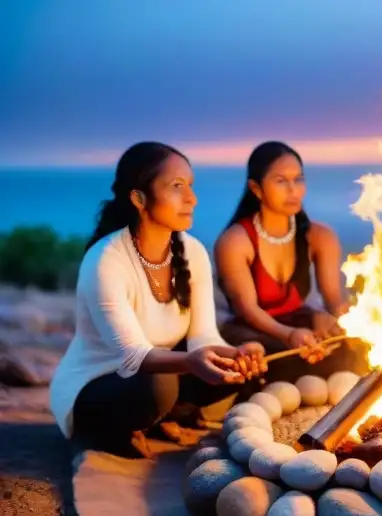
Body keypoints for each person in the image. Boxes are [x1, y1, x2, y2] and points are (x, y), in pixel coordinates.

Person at [50, 142, 266, 458]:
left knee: (241, 360)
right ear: (139, 199)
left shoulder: (191, 252)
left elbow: (203, 337)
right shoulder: (106, 259)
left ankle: (157, 417)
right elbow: (131, 356)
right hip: (100, 384)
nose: (192, 198)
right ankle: (122, 426)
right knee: (160, 386)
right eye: (177, 186)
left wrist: (236, 354)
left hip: (162, 372)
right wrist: (191, 362)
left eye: (190, 186)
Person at [214, 141, 367, 380]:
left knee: (355, 351)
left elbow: (334, 300)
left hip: (301, 326)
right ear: (256, 189)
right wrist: (289, 335)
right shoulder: (235, 241)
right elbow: (248, 309)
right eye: (281, 181)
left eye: (298, 180)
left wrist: (335, 322)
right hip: (252, 331)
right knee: (280, 360)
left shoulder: (320, 237)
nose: (293, 189)